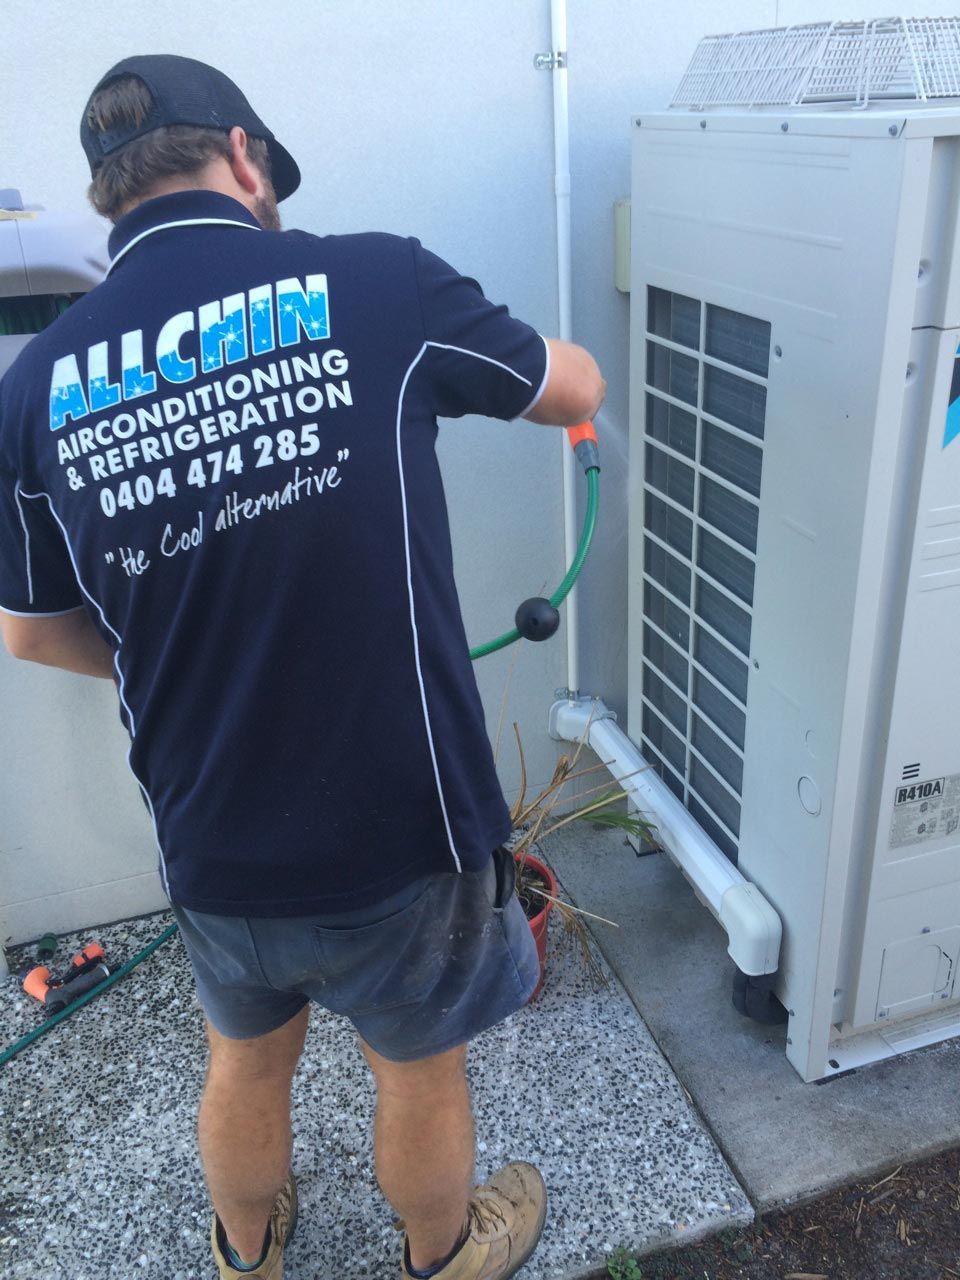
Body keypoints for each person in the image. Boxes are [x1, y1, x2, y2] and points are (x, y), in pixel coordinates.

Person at [0, 55, 605, 1280]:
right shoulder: (374, 278)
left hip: (211, 830)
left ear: (112, 191)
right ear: (241, 152)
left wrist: (169, 657)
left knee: (244, 1059)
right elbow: (571, 386)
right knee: (419, 1067)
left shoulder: (34, 385)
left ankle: (247, 1256)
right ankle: (445, 1254)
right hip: (401, 824)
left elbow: (27, 628)